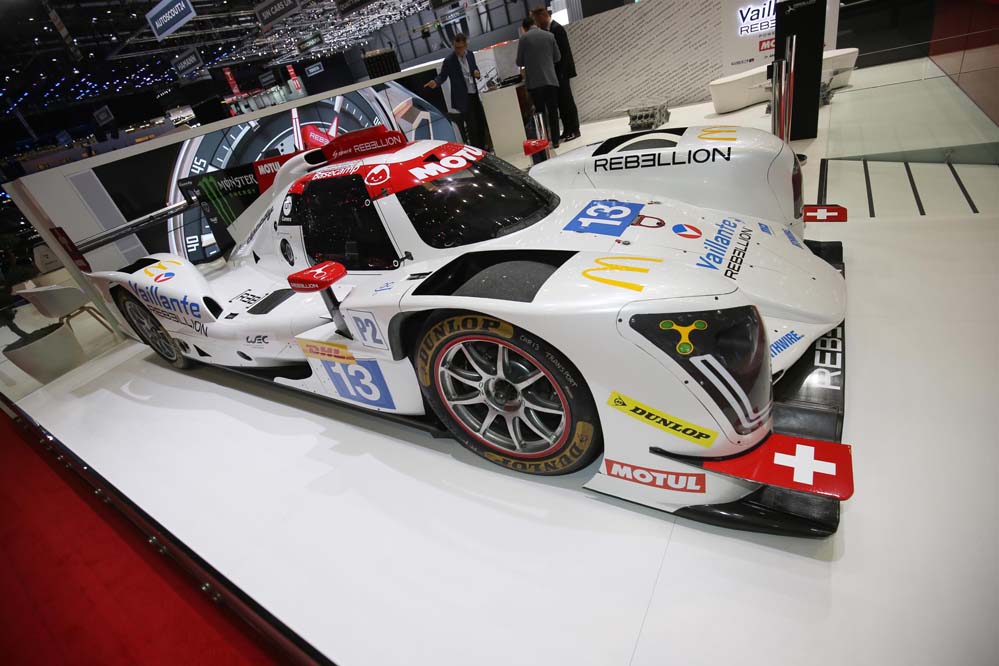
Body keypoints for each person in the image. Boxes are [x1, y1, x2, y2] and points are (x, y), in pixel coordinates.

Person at [425, 33, 488, 150]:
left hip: (474, 94)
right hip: (462, 98)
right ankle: (478, 151)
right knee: (472, 127)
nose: (458, 50)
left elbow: (474, 68)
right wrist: (435, 82)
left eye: (460, 47)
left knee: (481, 122)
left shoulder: (470, 55)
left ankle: (485, 149)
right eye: (456, 47)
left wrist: (477, 73)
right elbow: (442, 76)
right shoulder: (449, 61)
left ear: (465, 45)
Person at [532, 6, 579, 142]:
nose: (537, 24)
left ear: (543, 17)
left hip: (562, 73)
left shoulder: (557, 29)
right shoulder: (550, 30)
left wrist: (561, 74)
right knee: (562, 103)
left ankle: (574, 130)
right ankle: (567, 129)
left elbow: (564, 53)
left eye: (537, 20)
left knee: (567, 102)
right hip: (557, 74)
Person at [516, 15, 561, 148]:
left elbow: (519, 61)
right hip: (551, 80)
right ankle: (556, 140)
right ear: (534, 23)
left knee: (540, 114)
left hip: (535, 83)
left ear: (524, 28)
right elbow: (557, 57)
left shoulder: (524, 39)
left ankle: (544, 141)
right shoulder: (549, 35)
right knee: (553, 111)